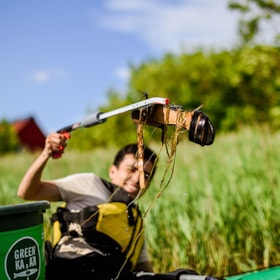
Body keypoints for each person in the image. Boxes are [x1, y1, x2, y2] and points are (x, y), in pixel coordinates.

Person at [17, 132, 158, 280]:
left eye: (146, 176)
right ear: (112, 171)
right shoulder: (89, 183)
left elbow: (144, 267)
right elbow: (28, 193)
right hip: (72, 269)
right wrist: (46, 154)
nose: (137, 179)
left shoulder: (135, 222)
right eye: (132, 169)